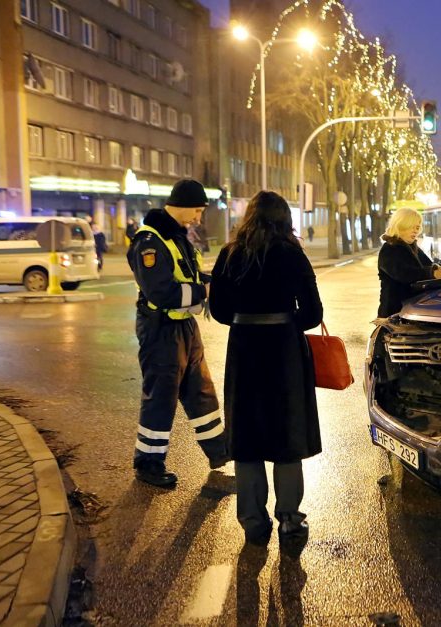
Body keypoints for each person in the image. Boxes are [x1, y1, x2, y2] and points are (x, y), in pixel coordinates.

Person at [209, 191, 323, 545]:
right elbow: (313, 312)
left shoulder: (230, 253)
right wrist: (287, 322)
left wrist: (246, 320)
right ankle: (290, 518)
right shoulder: (291, 253)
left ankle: (253, 522)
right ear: (284, 219)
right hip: (284, 351)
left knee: (247, 437)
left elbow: (219, 310)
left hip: (244, 350)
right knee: (287, 433)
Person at [127, 179, 229, 487]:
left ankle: (220, 451)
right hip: (160, 329)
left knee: (201, 391)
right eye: (197, 211)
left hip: (184, 327)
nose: (199, 218)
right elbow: (162, 292)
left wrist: (219, 281)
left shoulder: (177, 238)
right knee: (161, 397)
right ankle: (148, 463)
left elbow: (194, 275)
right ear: (182, 206)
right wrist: (204, 291)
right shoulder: (150, 241)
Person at [378, 207, 441, 318]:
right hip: (394, 314)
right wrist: (432, 273)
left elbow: (428, 264)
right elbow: (403, 273)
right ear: (401, 225)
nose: (416, 231)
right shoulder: (389, 249)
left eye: (417, 227)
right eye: (412, 227)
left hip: (412, 311)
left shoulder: (412, 247)